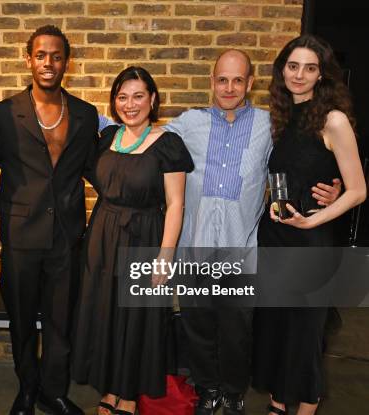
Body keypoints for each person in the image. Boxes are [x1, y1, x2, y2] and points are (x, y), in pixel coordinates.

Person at [163, 49, 341, 415]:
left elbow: (305, 158)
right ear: (212, 82)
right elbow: (145, 139)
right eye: (222, 79)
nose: (229, 87)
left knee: (237, 332)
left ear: (250, 83)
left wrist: (334, 187)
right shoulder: (187, 123)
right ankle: (208, 389)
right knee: (197, 327)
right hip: (194, 248)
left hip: (242, 249)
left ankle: (232, 391)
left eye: (238, 80)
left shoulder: (270, 125)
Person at [0, 25, 98, 415]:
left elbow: (95, 168)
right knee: (21, 322)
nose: (48, 63)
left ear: (66, 62)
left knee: (60, 323)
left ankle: (54, 391)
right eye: (40, 55)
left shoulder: (85, 114)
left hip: (67, 237)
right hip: (20, 237)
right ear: (28, 60)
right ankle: (27, 389)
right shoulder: (3, 114)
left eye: (56, 55)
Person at [252, 35, 365, 415]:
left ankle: (303, 408)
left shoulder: (333, 120)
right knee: (276, 330)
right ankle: (277, 404)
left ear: (322, 76)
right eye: (293, 66)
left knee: (303, 335)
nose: (300, 75)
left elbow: (357, 190)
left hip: (311, 244)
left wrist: (315, 216)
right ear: (282, 70)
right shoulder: (281, 117)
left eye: (310, 68)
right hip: (276, 240)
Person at [72, 66, 193, 415]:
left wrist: (165, 256)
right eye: (122, 97)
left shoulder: (168, 143)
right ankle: (110, 389)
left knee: (137, 318)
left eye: (138, 95)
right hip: (103, 234)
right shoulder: (108, 137)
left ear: (152, 99)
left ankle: (128, 395)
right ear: (114, 102)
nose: (130, 104)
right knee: (106, 314)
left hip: (146, 236)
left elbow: (175, 205)